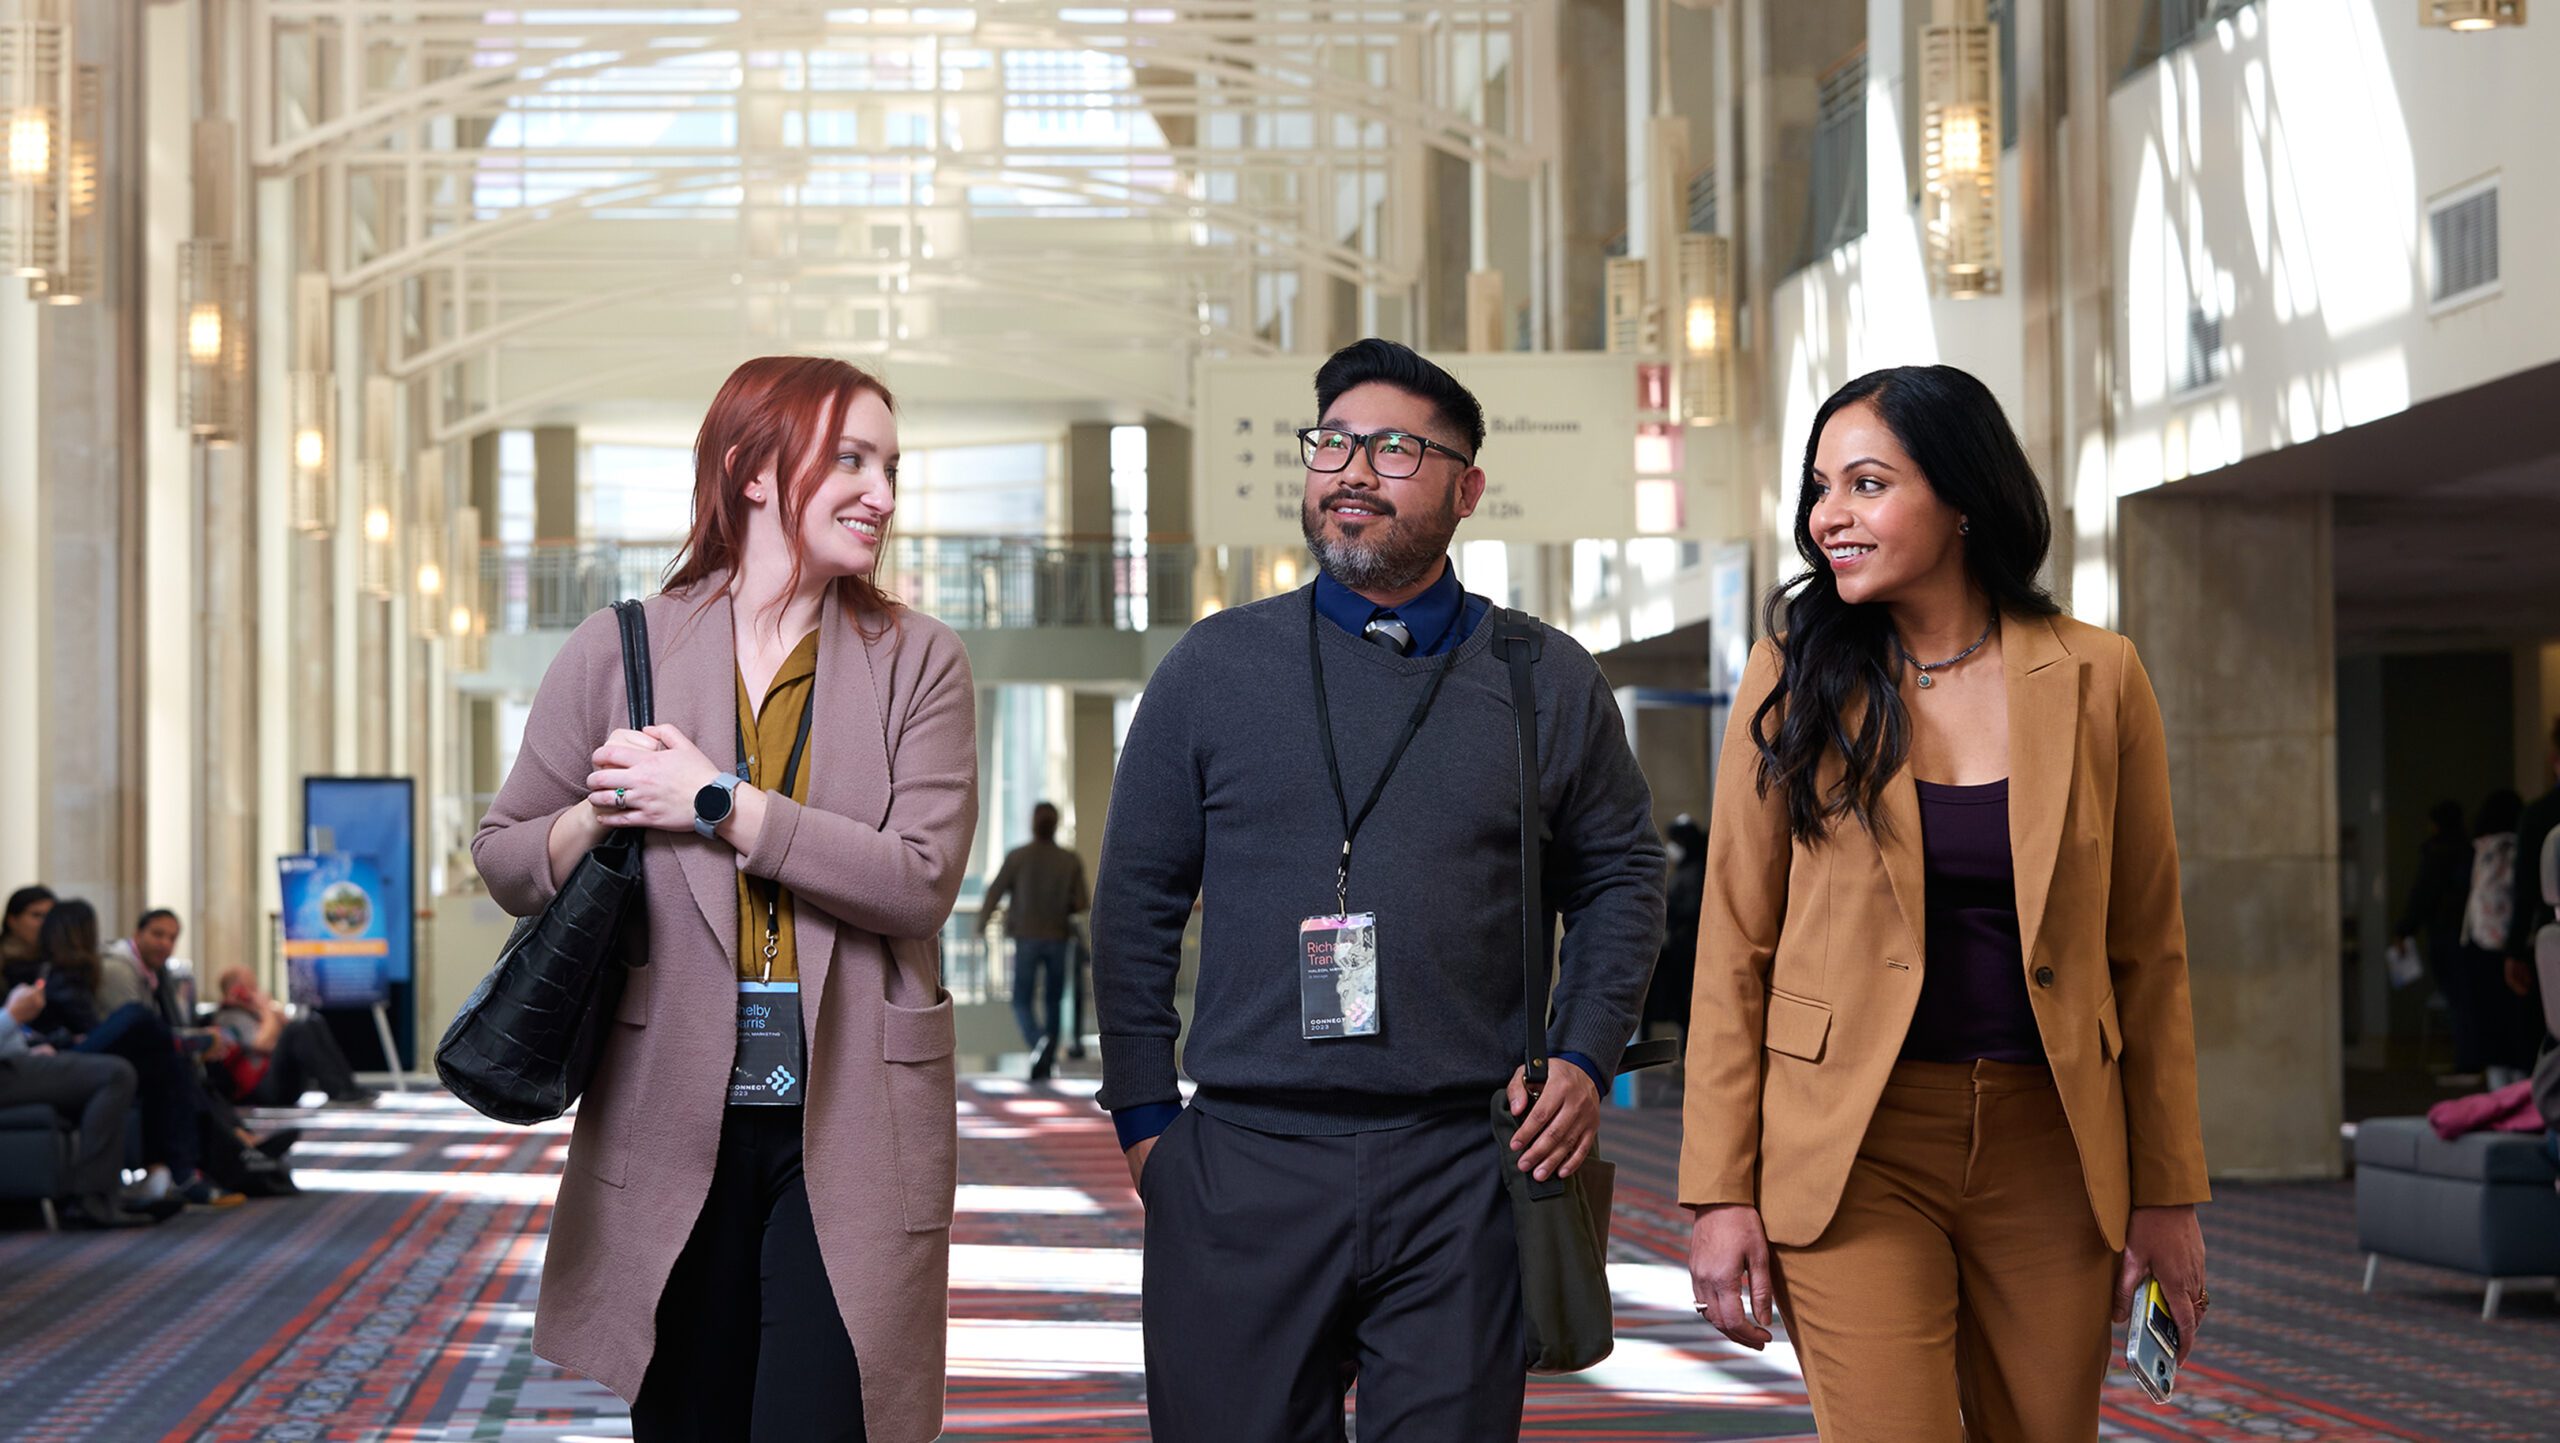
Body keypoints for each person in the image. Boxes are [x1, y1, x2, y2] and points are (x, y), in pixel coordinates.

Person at [1093, 338, 1666, 1440]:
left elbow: (1621, 874)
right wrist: (1147, 1120)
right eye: (1334, 442)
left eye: (1396, 447)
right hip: (1242, 1163)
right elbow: (1134, 907)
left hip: (1463, 1162)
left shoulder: (1539, 675)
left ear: (1467, 488)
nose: (1352, 468)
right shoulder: (1213, 671)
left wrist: (1586, 1053)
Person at [1681, 366, 2211, 1442]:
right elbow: (1735, 940)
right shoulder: (1795, 673)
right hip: (1854, 1141)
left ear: (1962, 497)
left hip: (2052, 1147)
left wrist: (2167, 1192)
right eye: (1821, 487)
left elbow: (2146, 953)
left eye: (1867, 483)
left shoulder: (2098, 677)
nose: (1830, 515)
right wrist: (1716, 1190)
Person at [472, 355, 978, 1443]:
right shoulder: (621, 648)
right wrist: (605, 808)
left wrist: (717, 801)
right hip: (669, 1111)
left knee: (828, 1417)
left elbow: (919, 880)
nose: (882, 492)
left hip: (854, 1111)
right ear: (753, 470)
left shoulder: (919, 661)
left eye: (890, 464)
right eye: (850, 459)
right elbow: (507, 858)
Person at [31, 899, 242, 1209]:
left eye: (172, 937)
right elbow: (82, 1025)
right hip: (58, 1056)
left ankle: (185, 1172)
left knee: (168, 1064)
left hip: (75, 1050)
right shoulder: (62, 972)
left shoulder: (80, 971)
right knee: (136, 1016)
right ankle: (180, 1046)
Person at [0, 981, 178, 1227]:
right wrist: (12, 1014)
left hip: (14, 1060)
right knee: (115, 1074)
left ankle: (105, 1193)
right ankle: (94, 1200)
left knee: (137, 1057)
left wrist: (27, 1048)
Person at [977, 801, 1089, 1079]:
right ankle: (1046, 1054)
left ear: (1033, 824)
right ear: (1056, 825)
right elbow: (1082, 901)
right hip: (1058, 937)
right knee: (1053, 1000)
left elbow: (995, 891)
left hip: (1026, 937)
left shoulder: (1018, 857)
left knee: (1021, 1000)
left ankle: (1039, 1041)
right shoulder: (1069, 860)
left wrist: (982, 925)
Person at [2459, 787, 2537, 1086]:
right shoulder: (2520, 848)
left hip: (2482, 946)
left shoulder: (2482, 850)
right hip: (2518, 946)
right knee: (2520, 1030)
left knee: (2491, 1032)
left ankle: (2498, 1095)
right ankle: (2523, 1095)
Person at [210, 963, 373, 1105]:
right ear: (237, 990)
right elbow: (264, 1044)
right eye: (251, 987)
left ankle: (347, 1086)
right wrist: (266, 1008)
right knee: (297, 1028)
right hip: (260, 1089)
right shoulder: (229, 1017)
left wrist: (274, 1013)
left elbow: (295, 1040)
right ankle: (338, 1091)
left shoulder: (255, 1013)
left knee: (312, 1021)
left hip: (280, 1082)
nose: (257, 990)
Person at [2395, 800, 2478, 1071]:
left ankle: (2466, 1060)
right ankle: (2470, 1058)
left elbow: (2423, 896)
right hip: (2469, 934)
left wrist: (2404, 929)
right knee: (2465, 997)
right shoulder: (2469, 850)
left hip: (2445, 932)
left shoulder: (2437, 853)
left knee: (2457, 999)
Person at [1644, 815, 1707, 1041]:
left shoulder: (1695, 872)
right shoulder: (1685, 870)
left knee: (1685, 1000)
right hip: (1680, 945)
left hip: (1688, 947)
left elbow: (1690, 908)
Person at [1, 885, 54, 983]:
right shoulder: (4, 959)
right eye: (36, 915)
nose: (44, 922)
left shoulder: (56, 959)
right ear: (12, 920)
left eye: (49, 916)